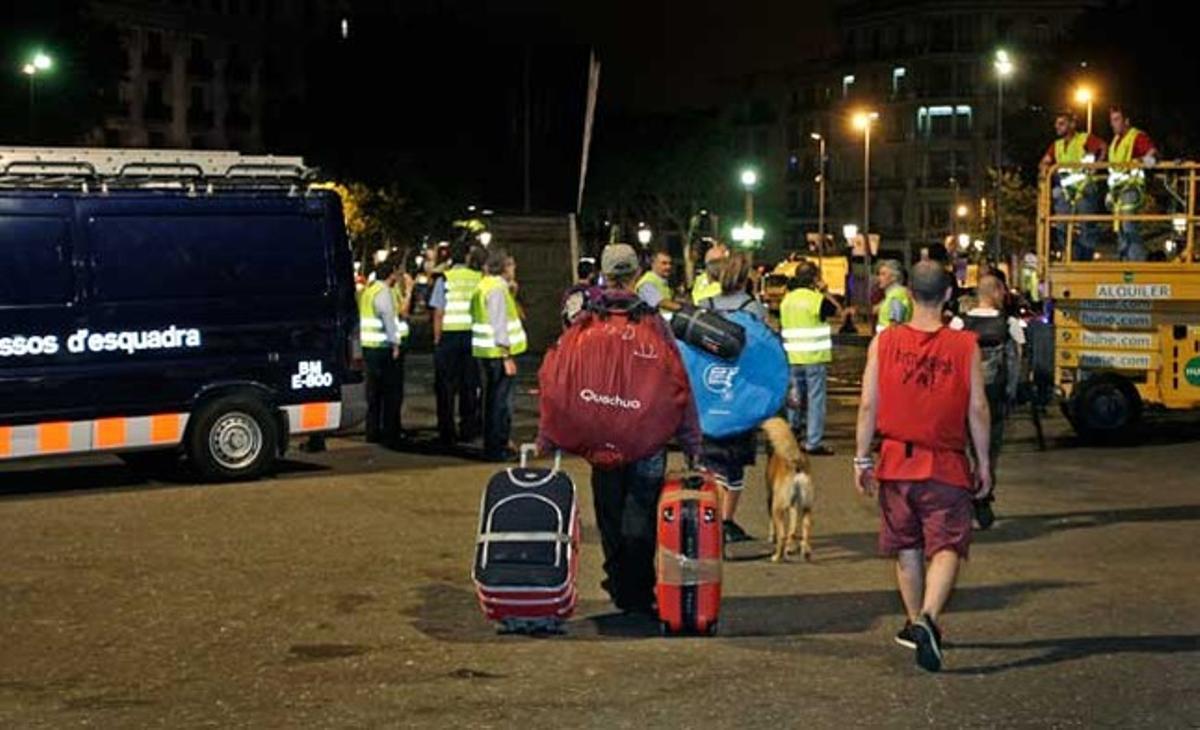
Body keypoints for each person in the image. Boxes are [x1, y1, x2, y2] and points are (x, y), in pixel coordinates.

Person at [854, 261, 992, 673]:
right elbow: (978, 409)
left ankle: (916, 623)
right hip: (945, 463)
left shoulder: (884, 343)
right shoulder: (966, 346)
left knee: (907, 547)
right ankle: (930, 617)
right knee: (948, 545)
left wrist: (862, 457)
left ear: (909, 294)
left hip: (896, 461)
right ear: (949, 296)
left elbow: (867, 405)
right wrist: (983, 462)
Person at [568, 243, 702, 613]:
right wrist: (690, 437)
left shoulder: (586, 322)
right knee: (641, 512)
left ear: (605, 274)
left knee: (610, 511)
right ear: (634, 275)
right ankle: (638, 590)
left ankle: (619, 581)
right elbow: (678, 380)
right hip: (647, 434)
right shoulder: (653, 321)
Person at [697, 252, 770, 544]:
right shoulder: (754, 309)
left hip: (708, 391)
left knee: (708, 459)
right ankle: (726, 521)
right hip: (741, 392)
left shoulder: (705, 306)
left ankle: (708, 517)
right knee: (735, 461)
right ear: (745, 278)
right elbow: (764, 352)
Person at [950, 275, 1023, 530]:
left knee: (962, 451)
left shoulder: (959, 323)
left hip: (963, 396)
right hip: (994, 397)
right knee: (989, 453)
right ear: (996, 292)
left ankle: (961, 501)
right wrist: (1013, 394)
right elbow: (1016, 362)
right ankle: (983, 501)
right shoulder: (1009, 324)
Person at [470, 249, 527, 462]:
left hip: (485, 351)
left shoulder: (484, 286)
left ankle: (493, 445)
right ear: (503, 268)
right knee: (500, 404)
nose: (514, 269)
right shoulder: (496, 290)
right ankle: (497, 447)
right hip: (497, 353)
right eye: (511, 265)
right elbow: (499, 323)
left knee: (491, 401)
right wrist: (506, 356)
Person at [781, 262, 841, 455]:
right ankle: (813, 441)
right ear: (815, 278)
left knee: (794, 397)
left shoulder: (787, 300)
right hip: (813, 357)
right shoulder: (816, 299)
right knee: (815, 399)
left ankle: (793, 431)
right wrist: (825, 291)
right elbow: (837, 311)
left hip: (792, 356)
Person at [429, 242, 485, 447]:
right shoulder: (477, 279)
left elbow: (438, 313)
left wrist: (437, 340)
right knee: (469, 385)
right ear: (468, 258)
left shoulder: (444, 279)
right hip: (471, 336)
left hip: (449, 337)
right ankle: (468, 428)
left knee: (445, 387)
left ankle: (446, 431)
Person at [1039, 112, 1107, 263]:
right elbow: (1045, 161)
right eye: (1057, 124)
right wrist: (1044, 169)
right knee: (1062, 226)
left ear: (1072, 124)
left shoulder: (1084, 139)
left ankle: (1085, 259)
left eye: (1062, 123)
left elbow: (1102, 147)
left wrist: (1097, 165)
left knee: (1086, 226)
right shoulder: (1056, 146)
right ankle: (1071, 255)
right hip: (1066, 191)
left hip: (1084, 189)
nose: (1057, 127)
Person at [359, 258, 411, 448]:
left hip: (369, 347)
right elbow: (388, 318)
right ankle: (391, 432)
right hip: (383, 348)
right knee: (391, 392)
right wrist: (395, 344)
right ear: (391, 275)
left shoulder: (369, 290)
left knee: (373, 393)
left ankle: (372, 431)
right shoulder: (383, 292)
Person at [1107, 106, 1159, 262]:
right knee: (1120, 228)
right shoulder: (1115, 141)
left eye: (1116, 120)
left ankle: (1137, 260)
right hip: (1117, 192)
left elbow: (1152, 152)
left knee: (1128, 225)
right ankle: (1125, 259)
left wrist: (1142, 160)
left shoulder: (1136, 136)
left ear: (1126, 121)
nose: (1113, 124)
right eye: (1111, 120)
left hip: (1131, 188)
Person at [874, 260, 912, 333]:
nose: (879, 278)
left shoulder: (897, 295)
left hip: (889, 340)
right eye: (879, 274)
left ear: (894, 277)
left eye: (883, 274)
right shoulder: (892, 294)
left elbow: (895, 325)